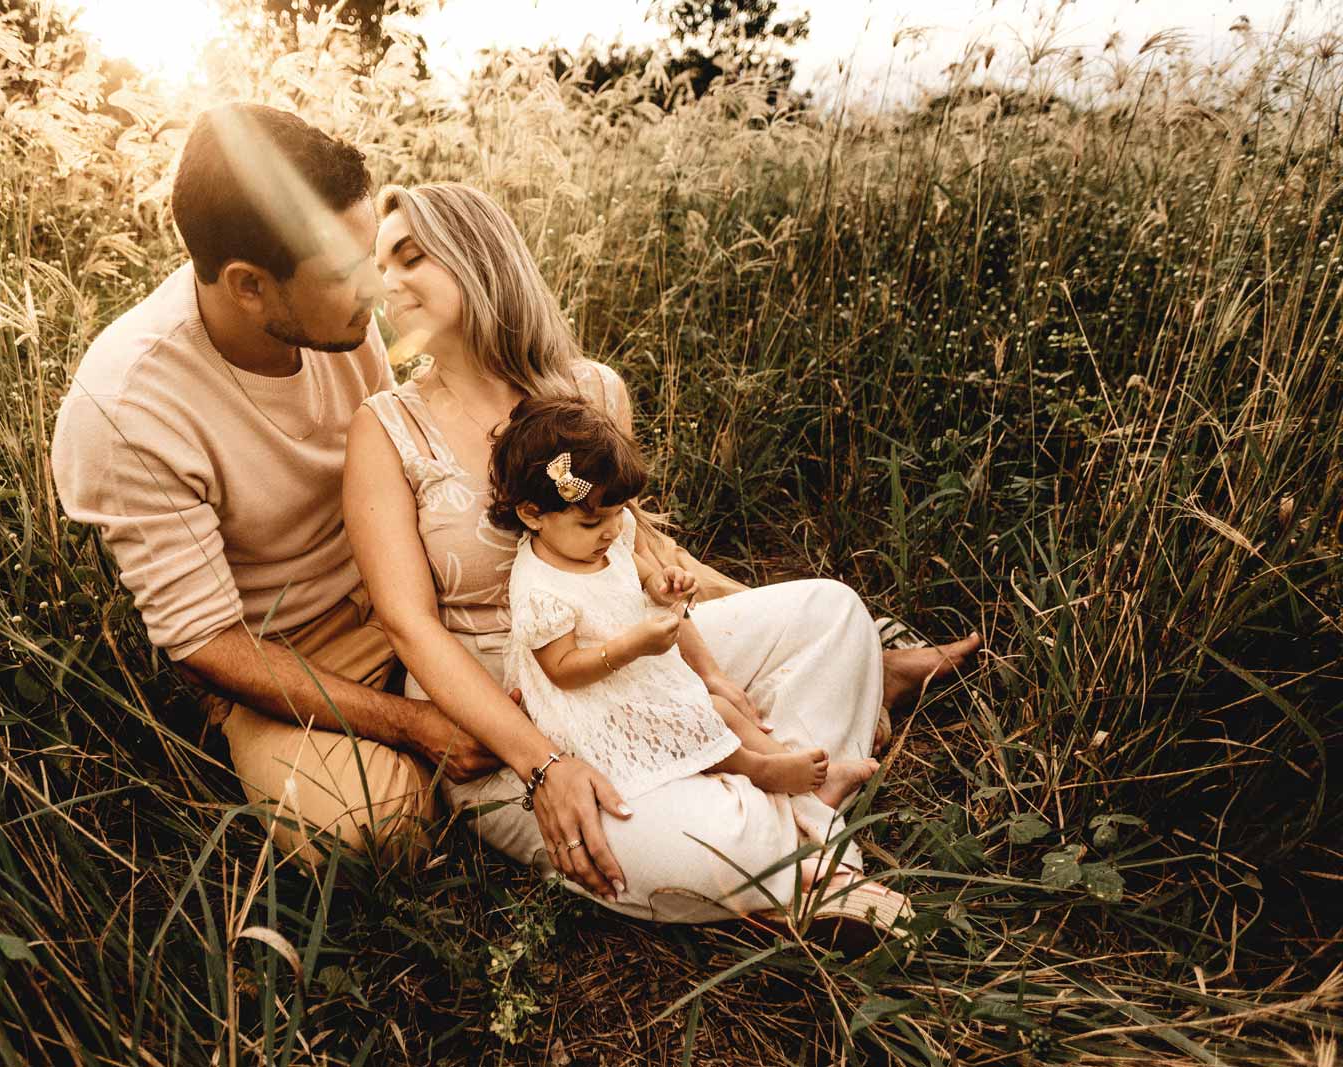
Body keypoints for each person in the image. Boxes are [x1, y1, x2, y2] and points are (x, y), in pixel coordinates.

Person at [344, 180, 981, 924]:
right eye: (376, 264)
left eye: (409, 257)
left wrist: (712, 656)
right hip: (513, 707)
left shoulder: (588, 390)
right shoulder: (384, 429)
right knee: (693, 841)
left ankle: (780, 825)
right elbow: (409, 626)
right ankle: (806, 837)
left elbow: (640, 549)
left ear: (476, 256)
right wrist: (541, 763)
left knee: (835, 615)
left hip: (644, 649)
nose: (382, 281)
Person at [50, 104, 499, 866]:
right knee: (369, 831)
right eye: (347, 274)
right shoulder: (127, 406)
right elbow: (206, 642)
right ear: (250, 286)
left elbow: (403, 455)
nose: (380, 289)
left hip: (405, 573)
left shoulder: (340, 322)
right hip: (290, 650)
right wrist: (410, 722)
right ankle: (431, 754)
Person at [491, 396, 881, 809]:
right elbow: (562, 672)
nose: (610, 532)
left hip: (636, 674)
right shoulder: (539, 590)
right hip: (594, 703)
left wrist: (659, 583)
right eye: (592, 522)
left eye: (618, 514)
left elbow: (631, 565)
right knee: (698, 719)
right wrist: (633, 646)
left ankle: (788, 765)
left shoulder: (601, 539)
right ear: (533, 514)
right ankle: (761, 773)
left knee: (717, 710)